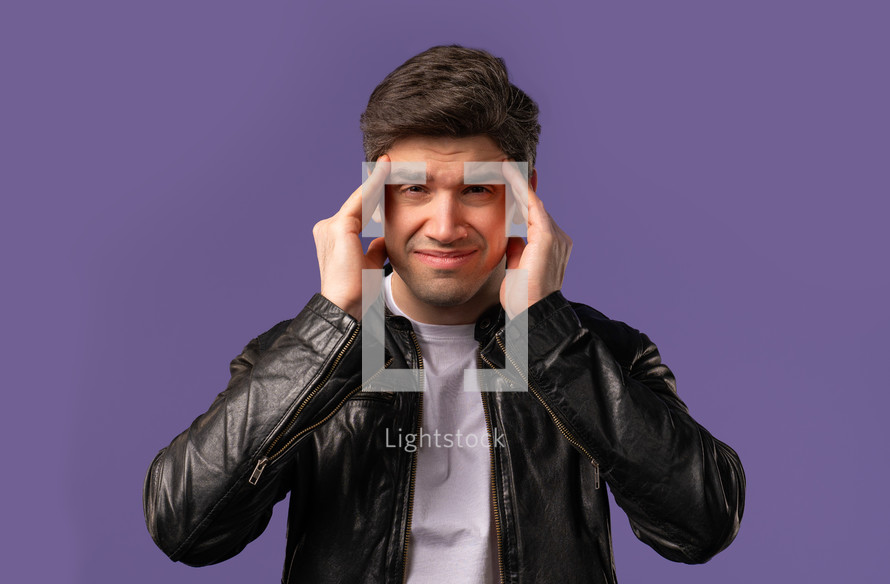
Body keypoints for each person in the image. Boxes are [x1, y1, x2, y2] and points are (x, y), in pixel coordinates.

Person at [143, 45, 745, 583]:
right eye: (414, 189)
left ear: (523, 196)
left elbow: (701, 527)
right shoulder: (300, 355)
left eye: (477, 190)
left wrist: (546, 333)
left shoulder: (600, 352)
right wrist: (333, 322)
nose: (446, 225)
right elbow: (187, 532)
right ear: (375, 198)